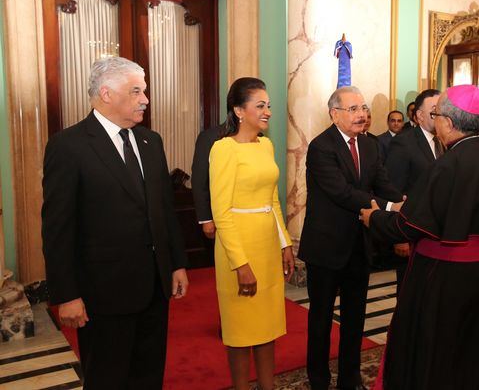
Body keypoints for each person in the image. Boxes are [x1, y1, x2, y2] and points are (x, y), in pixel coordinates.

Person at [361, 85, 479, 389]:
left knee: (440, 348)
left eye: (436, 115)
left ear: (448, 122)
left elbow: (408, 226)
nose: (435, 121)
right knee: (476, 345)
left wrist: (375, 218)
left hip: (445, 276)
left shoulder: (448, 165)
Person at [41, 57, 189, 389]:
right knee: (108, 379)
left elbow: (164, 210)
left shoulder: (152, 142)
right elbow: (57, 229)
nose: (145, 99)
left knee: (149, 377)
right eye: (136, 91)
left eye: (145, 91)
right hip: (102, 295)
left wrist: (177, 263)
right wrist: (66, 295)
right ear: (106, 94)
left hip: (154, 287)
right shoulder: (69, 146)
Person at [298, 86, 401, 390]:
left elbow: (381, 181)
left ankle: (349, 378)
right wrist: (389, 207)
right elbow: (341, 192)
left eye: (363, 108)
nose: (362, 115)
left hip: (359, 245)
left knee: (355, 319)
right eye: (354, 109)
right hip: (326, 247)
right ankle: (318, 380)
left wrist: (405, 201)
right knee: (320, 320)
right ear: (335, 114)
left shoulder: (369, 145)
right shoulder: (321, 147)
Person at [209, 77, 295, 390]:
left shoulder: (267, 145)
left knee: (268, 325)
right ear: (239, 110)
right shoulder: (223, 149)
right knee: (241, 328)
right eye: (260, 105)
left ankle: (268, 387)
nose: (268, 111)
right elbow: (221, 212)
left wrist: (284, 243)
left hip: (267, 244)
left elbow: (272, 199)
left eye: (268, 105)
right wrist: (240, 264)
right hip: (238, 247)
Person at [383, 89, 441, 293]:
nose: (440, 114)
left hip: (435, 234)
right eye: (434, 110)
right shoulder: (404, 142)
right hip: (411, 231)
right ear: (419, 115)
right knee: (409, 290)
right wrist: (400, 237)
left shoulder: (443, 141)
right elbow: (394, 189)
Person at [191, 122, 226, 240]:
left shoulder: (261, 138)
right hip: (218, 218)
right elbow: (199, 180)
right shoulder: (210, 137)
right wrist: (206, 219)